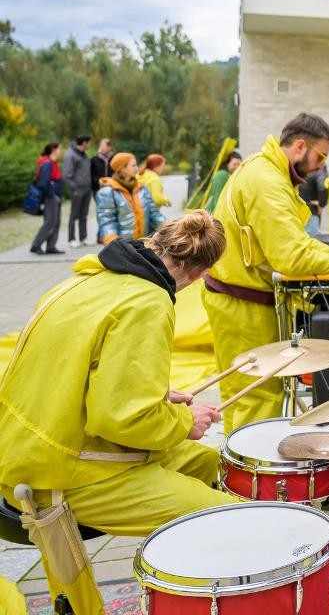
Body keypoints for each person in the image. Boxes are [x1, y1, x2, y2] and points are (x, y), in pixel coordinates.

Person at [0, 213, 238, 608]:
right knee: (236, 515)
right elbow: (122, 419)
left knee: (208, 462)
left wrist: (156, 394)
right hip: (58, 470)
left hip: (24, 447)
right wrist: (185, 421)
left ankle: (185, 572)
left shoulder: (86, 279)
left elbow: (79, 375)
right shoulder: (147, 302)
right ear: (200, 274)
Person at [203, 113, 329, 433]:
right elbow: (291, 257)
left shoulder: (264, 168)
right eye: (321, 157)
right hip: (243, 306)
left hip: (239, 301)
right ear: (300, 146)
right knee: (257, 396)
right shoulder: (267, 182)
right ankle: (250, 462)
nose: (321, 166)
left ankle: (238, 456)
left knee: (244, 396)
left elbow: (295, 242)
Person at [96, 153, 165, 244]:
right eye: (133, 165)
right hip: (122, 246)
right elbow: (107, 220)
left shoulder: (142, 188)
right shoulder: (107, 192)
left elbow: (154, 213)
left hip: (142, 243)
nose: (137, 168)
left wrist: (170, 228)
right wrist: (113, 242)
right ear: (122, 168)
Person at [30, 143, 65, 256]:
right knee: (50, 222)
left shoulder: (53, 163)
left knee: (56, 222)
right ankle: (36, 245)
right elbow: (43, 183)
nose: (61, 151)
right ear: (53, 150)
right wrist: (52, 195)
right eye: (60, 148)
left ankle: (51, 246)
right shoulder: (47, 163)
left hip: (55, 196)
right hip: (51, 197)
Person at [63, 135, 92, 248]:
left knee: (84, 214)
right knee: (74, 214)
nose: (90, 145)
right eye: (89, 142)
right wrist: (74, 188)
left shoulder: (83, 154)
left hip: (87, 188)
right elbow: (67, 175)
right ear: (84, 143)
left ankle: (83, 238)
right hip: (77, 189)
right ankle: (72, 239)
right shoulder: (70, 154)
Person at [298, 164, 329, 236]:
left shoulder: (298, 166)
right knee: (311, 238)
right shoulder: (320, 170)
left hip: (296, 212)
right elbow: (323, 187)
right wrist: (321, 203)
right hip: (311, 214)